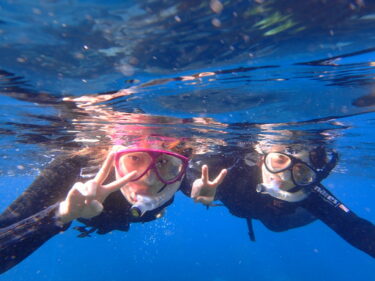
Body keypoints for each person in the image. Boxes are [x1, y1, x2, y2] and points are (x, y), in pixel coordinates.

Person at [0, 135, 228, 274]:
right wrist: (61, 214)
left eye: (163, 161)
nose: (148, 178)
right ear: (115, 153)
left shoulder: (178, 174)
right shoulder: (73, 168)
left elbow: (200, 184)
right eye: (135, 158)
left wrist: (205, 192)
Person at [182, 144, 375, 258]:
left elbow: (352, 226)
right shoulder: (234, 167)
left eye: (300, 171)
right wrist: (193, 185)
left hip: (279, 217)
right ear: (261, 158)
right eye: (279, 161)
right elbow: (181, 173)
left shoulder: (305, 187)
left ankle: (316, 213)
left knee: (278, 224)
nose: (283, 177)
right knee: (275, 225)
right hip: (261, 215)